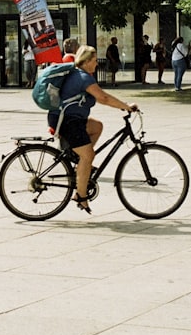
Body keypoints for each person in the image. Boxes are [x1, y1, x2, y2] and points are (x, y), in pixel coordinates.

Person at [50, 46, 138, 214]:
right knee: (89, 155)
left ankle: (78, 160)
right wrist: (125, 106)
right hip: (69, 121)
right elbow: (103, 98)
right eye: (95, 60)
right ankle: (80, 196)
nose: (97, 64)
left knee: (97, 126)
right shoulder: (83, 77)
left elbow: (100, 98)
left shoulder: (79, 75)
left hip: (71, 119)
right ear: (87, 61)